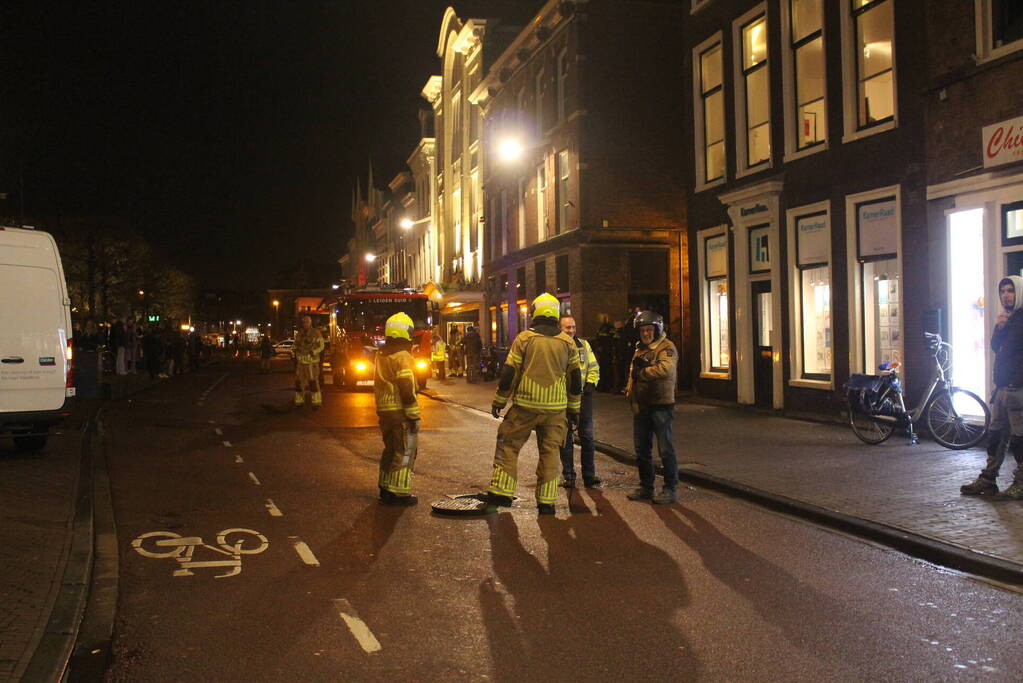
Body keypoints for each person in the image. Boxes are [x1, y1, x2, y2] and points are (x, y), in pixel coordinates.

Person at [487, 293, 582, 515]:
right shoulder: (568, 342)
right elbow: (575, 380)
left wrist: (500, 400)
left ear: (535, 312)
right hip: (556, 409)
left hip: (526, 406)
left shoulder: (524, 339)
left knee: (508, 444)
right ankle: (547, 502)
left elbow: (510, 372)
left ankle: (502, 492)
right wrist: (574, 410)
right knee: (550, 452)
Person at [962, 275, 1023, 500]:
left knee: (1020, 438)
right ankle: (988, 479)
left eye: (1010, 291)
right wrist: (999, 327)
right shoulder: (1009, 318)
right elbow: (997, 347)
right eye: (1003, 291)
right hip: (1002, 388)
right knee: (997, 434)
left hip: (1017, 389)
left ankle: (1021, 482)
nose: (1006, 295)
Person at [626, 310, 680, 505]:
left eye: (649, 330)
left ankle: (670, 488)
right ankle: (646, 486)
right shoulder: (639, 348)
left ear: (657, 330)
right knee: (641, 450)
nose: (646, 333)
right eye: (643, 330)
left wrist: (644, 372)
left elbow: (666, 369)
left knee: (665, 449)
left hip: (661, 405)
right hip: (642, 405)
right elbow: (633, 373)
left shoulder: (667, 347)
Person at [374, 312, 421, 505]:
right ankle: (398, 492)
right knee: (405, 450)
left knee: (390, 449)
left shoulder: (381, 355)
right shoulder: (403, 356)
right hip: (401, 410)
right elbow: (406, 385)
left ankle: (385, 486)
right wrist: (413, 413)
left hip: (384, 410)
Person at [558, 315, 602, 489]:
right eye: (567, 327)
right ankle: (569, 475)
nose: (571, 330)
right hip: (564, 399)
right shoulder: (557, 347)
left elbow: (594, 367)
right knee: (566, 438)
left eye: (573, 327)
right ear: (560, 328)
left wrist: (591, 384)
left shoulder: (584, 345)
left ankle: (589, 475)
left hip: (584, 398)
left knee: (587, 437)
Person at [293, 315, 325, 409]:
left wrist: (314, 352)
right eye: (303, 322)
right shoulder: (300, 333)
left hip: (312, 363)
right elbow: (296, 344)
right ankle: (299, 402)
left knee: (313, 383)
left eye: (306, 322)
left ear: (310, 323)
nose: (304, 324)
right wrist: (294, 349)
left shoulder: (316, 333)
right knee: (299, 383)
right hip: (301, 363)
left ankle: (316, 403)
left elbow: (322, 346)